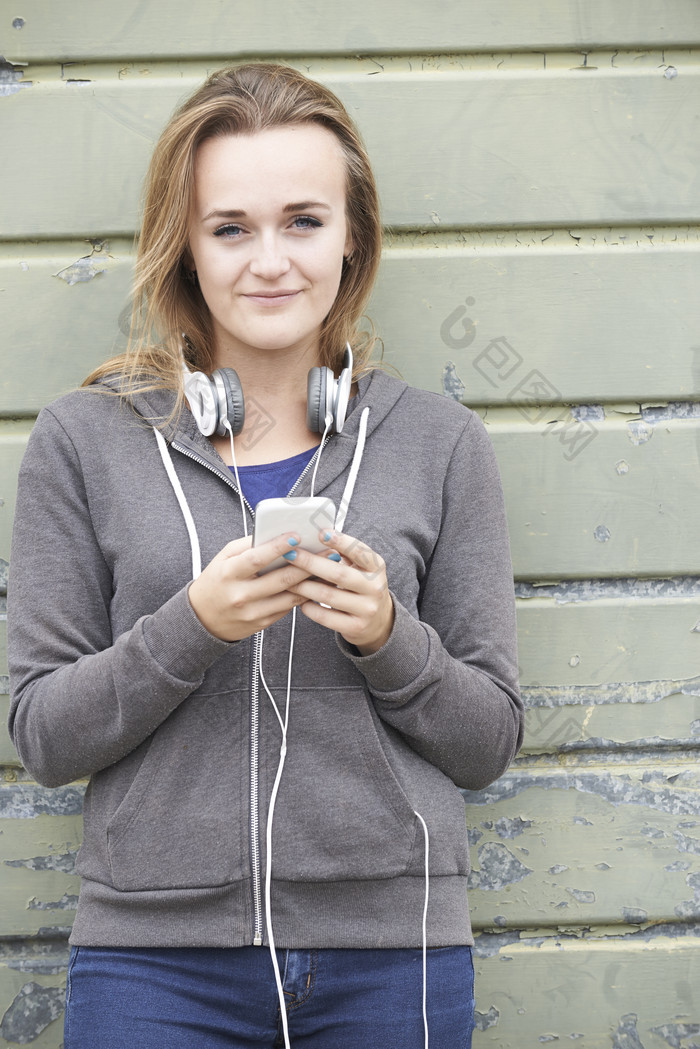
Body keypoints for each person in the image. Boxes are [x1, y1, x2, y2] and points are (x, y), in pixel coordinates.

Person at [8, 64, 523, 1049]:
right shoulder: (84, 441)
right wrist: (191, 626)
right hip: (153, 965)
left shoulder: (438, 441)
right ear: (186, 247)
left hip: (393, 955)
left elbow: (487, 738)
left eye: (303, 221)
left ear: (352, 236)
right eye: (230, 227)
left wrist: (385, 634)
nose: (269, 260)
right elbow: (43, 734)